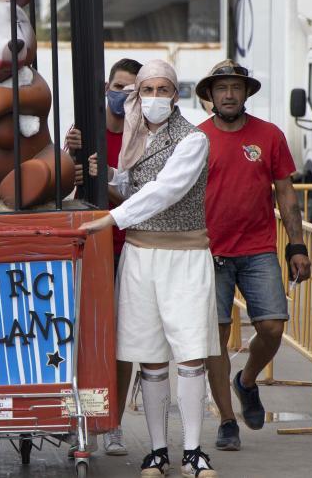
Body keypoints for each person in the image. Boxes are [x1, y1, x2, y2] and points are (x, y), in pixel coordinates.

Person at [80, 59, 219, 478]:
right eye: (147, 90)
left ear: (176, 95)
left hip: (185, 257)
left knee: (191, 356)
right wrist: (101, 174)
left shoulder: (193, 139)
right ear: (136, 95)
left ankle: (194, 451)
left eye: (163, 89)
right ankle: (158, 451)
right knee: (151, 358)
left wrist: (111, 217)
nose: (155, 97)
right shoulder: (134, 137)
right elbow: (134, 185)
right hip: (141, 254)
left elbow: (166, 190)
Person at [194, 60, 311, 451]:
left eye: (236, 88)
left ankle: (246, 382)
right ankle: (228, 421)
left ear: (246, 94)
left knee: (274, 327)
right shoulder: (196, 139)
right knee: (216, 339)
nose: (229, 94)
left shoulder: (270, 135)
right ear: (209, 95)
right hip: (210, 254)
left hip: (259, 249)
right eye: (221, 88)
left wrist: (296, 244)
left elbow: (286, 194)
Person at [63, 56, 141, 456]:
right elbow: (64, 186)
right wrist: (69, 163)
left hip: (130, 249)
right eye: (118, 87)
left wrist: (102, 179)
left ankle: (112, 424)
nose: (122, 95)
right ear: (105, 89)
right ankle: (79, 417)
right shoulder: (84, 133)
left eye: (131, 89)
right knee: (82, 337)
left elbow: (140, 198)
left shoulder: (143, 136)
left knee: (121, 342)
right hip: (90, 249)